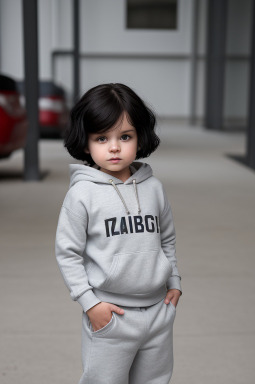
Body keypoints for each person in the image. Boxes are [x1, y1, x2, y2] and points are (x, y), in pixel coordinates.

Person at [55, 83, 182, 384]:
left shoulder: (154, 188)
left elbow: (166, 239)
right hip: (111, 315)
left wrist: (174, 281)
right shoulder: (82, 195)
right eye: (102, 138)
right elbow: (67, 252)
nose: (114, 147)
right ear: (86, 143)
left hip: (158, 311)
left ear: (140, 138)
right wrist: (90, 304)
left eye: (125, 136)